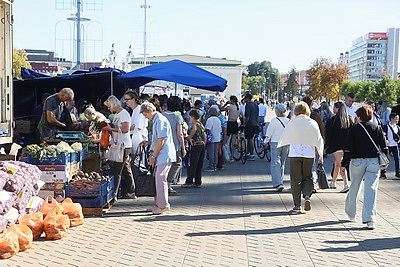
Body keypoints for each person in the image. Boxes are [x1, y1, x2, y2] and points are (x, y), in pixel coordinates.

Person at [342, 105, 388, 230]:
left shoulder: (354, 129)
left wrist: (343, 164)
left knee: (354, 187)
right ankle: (370, 219)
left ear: (359, 117)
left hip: (357, 161)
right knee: (371, 189)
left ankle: (351, 214)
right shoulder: (377, 128)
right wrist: (385, 161)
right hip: (373, 162)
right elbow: (384, 147)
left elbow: (348, 148)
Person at [278, 101, 324, 214]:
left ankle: (297, 205)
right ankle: (307, 196)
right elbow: (318, 138)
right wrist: (320, 154)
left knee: (296, 179)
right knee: (308, 176)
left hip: (294, 153)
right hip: (309, 154)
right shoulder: (312, 123)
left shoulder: (292, 122)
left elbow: (285, 135)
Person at [140, 102, 176, 215]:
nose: (146, 117)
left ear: (150, 111)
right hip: (162, 154)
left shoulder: (160, 120)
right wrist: (149, 142)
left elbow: (161, 140)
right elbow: (158, 139)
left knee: (160, 178)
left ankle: (163, 205)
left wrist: (153, 156)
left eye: (146, 115)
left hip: (163, 154)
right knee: (157, 178)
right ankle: (158, 204)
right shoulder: (157, 119)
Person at [103, 95, 136, 201]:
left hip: (123, 145)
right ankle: (131, 191)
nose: (109, 109)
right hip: (121, 144)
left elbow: (126, 129)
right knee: (125, 168)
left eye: (109, 107)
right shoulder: (118, 114)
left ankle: (114, 194)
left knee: (117, 170)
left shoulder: (123, 114)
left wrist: (111, 129)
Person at [325, 102, 354, 192]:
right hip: (347, 146)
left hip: (336, 146)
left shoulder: (333, 120)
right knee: (337, 164)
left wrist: (327, 146)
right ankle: (333, 182)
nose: (333, 109)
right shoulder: (349, 119)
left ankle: (346, 184)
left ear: (337, 108)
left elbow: (328, 134)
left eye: (334, 107)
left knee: (341, 164)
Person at [163, 96, 186, 192]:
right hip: (175, 145)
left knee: (164, 164)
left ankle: (163, 183)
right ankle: (168, 184)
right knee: (177, 163)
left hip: (163, 144)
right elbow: (180, 134)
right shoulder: (178, 117)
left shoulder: (162, 115)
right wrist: (183, 147)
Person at [264, 104, 289, 192]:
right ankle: (280, 180)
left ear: (278, 111)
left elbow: (269, 133)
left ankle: (278, 183)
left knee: (275, 163)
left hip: (275, 142)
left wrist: (265, 142)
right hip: (285, 143)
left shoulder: (274, 121)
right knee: (282, 163)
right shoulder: (288, 121)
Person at [182, 109, 206, 188]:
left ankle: (189, 181)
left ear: (192, 117)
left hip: (195, 145)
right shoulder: (201, 124)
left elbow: (194, 130)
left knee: (193, 164)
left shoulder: (194, 124)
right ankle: (198, 181)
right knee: (199, 164)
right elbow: (204, 135)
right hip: (201, 145)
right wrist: (204, 142)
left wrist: (188, 137)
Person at [222, 95, 242, 163]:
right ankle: (232, 156)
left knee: (225, 140)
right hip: (235, 124)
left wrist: (225, 104)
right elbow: (243, 117)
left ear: (232, 100)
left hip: (230, 123)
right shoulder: (238, 108)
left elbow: (221, 109)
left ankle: (223, 155)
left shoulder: (230, 107)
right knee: (233, 141)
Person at [382, 113, 400, 179]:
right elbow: (383, 134)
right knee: (386, 159)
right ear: (392, 118)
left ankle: (398, 172)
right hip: (388, 145)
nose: (397, 120)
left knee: (397, 159)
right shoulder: (386, 126)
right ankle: (383, 172)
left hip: (395, 145)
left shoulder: (397, 127)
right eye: (396, 118)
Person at [205, 107, 222, 171]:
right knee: (215, 153)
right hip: (217, 137)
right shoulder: (218, 119)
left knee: (211, 153)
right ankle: (215, 166)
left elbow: (208, 129)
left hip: (211, 138)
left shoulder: (210, 119)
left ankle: (211, 166)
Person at [244, 93, 259, 160]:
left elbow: (247, 117)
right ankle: (248, 153)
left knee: (250, 139)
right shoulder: (255, 105)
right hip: (255, 123)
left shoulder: (248, 105)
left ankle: (252, 154)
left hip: (249, 124)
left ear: (247, 98)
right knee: (249, 139)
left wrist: (244, 124)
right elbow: (257, 116)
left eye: (245, 98)